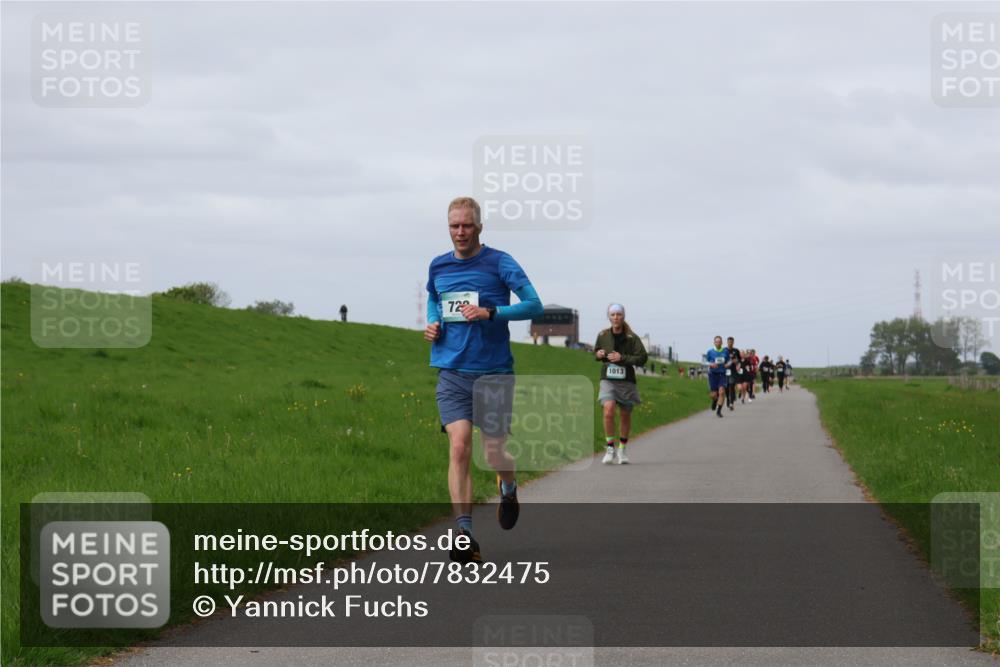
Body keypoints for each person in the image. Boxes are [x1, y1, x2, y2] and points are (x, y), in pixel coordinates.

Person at [424, 196, 543, 563]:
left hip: (493, 373)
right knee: (459, 446)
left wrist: (492, 312)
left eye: (467, 225)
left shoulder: (499, 262)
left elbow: (534, 305)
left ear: (479, 226)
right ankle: (464, 534)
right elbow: (434, 296)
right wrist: (433, 322)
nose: (460, 232)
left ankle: (508, 487)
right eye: (454, 226)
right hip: (452, 371)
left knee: (493, 453)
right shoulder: (438, 265)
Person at [594, 304, 648, 465]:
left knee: (625, 415)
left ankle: (622, 449)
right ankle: (610, 448)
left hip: (626, 381)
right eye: (613, 314)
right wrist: (598, 354)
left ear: (623, 316)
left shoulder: (632, 338)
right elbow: (597, 352)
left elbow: (642, 358)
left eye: (618, 314)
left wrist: (622, 358)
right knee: (608, 410)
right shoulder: (603, 335)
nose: (616, 317)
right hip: (608, 379)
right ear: (609, 317)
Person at [705, 335, 730, 418]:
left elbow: (729, 361)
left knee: (722, 392)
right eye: (717, 341)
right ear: (714, 342)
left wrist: (727, 364)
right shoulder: (710, 352)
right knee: (713, 394)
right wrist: (711, 364)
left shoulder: (725, 351)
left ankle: (719, 411)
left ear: (722, 342)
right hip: (713, 375)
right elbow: (704, 362)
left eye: (719, 341)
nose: (718, 343)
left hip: (722, 374)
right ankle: (715, 400)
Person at [724, 336, 742, 411]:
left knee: (731, 386)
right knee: (726, 387)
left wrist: (738, 365)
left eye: (731, 342)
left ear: (733, 342)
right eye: (729, 342)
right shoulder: (724, 350)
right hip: (725, 370)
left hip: (733, 371)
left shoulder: (736, 350)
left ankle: (731, 403)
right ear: (727, 342)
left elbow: (739, 361)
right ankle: (728, 398)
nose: (730, 343)